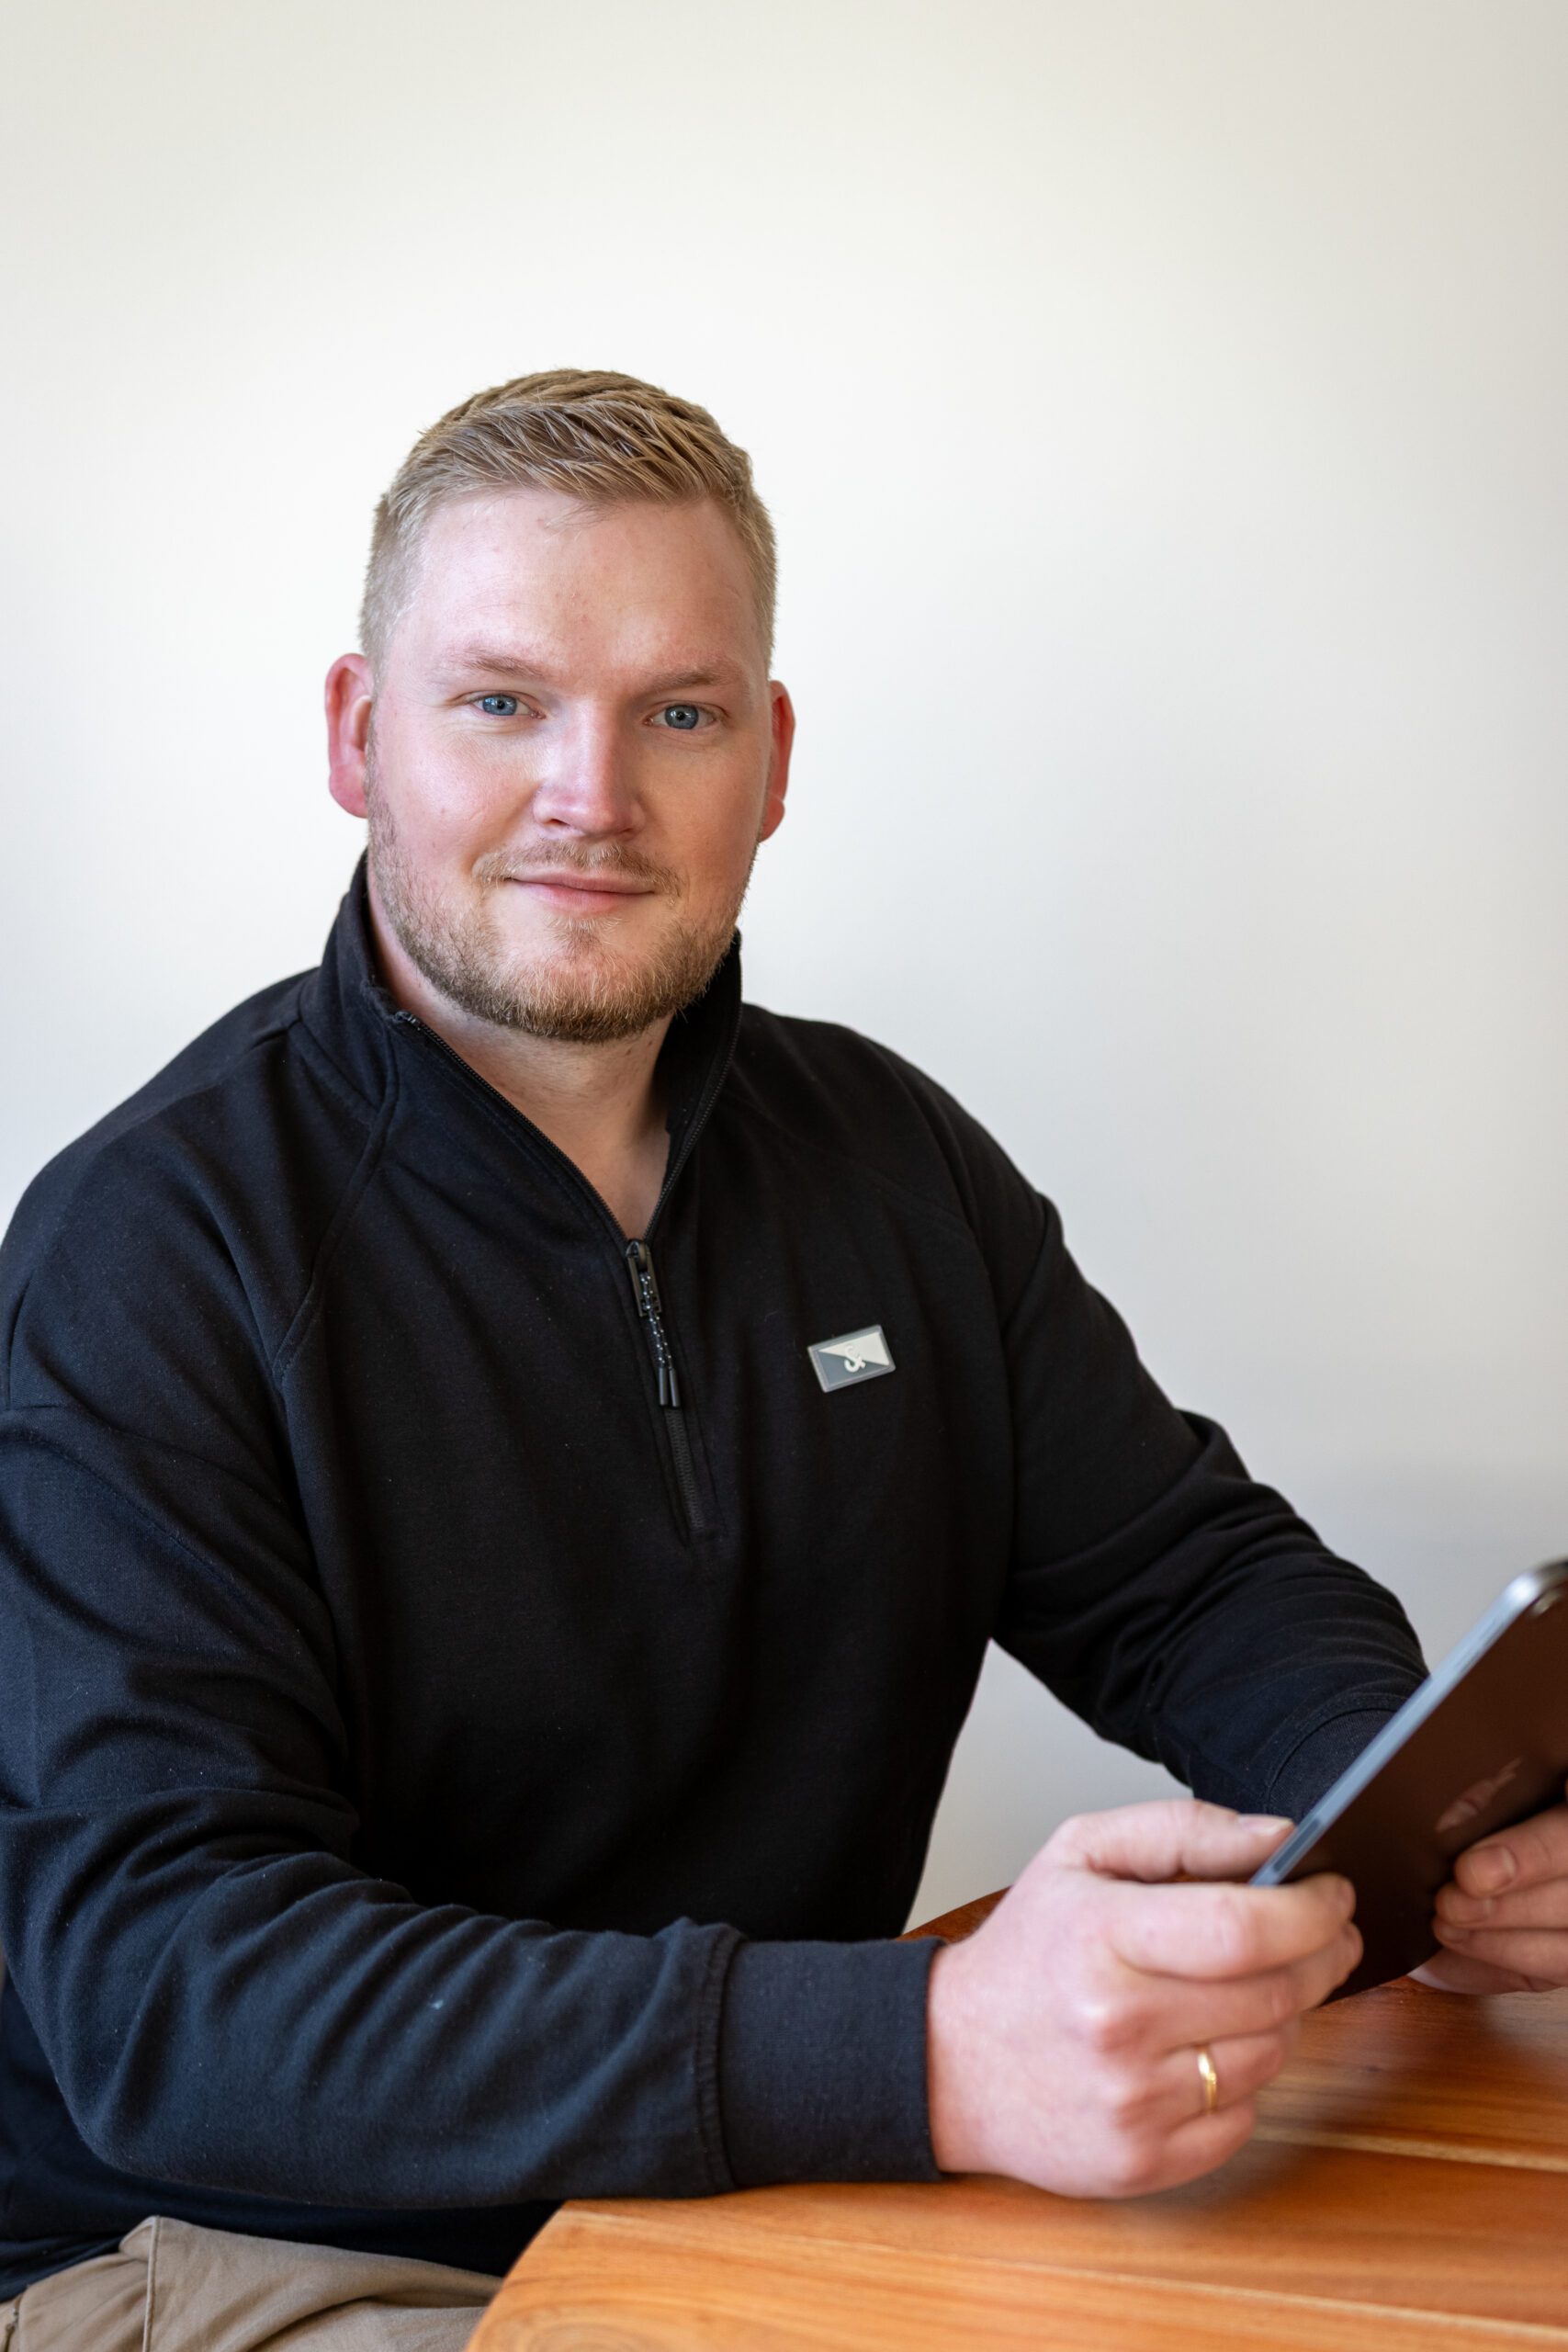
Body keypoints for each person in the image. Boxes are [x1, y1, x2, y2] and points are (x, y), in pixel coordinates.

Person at [3, 369, 1565, 2351]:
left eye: (678, 708)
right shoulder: (148, 1248)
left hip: (757, 2184)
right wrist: (914, 2049)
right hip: (264, 2248)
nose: (593, 789)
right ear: (353, 734)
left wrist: (1420, 1828)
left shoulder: (886, 1159)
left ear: (771, 752)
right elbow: (176, 1996)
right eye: (500, 700)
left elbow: (1179, 1577)